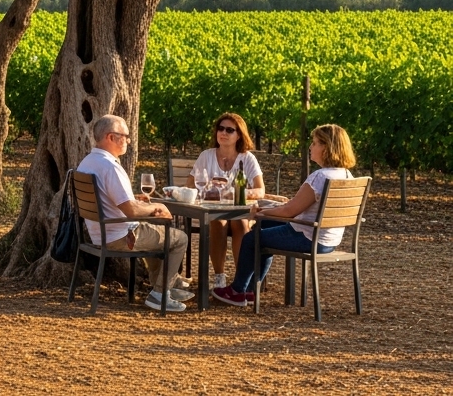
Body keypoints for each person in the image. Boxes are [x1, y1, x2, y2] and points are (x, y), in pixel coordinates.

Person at [213, 123, 357, 307]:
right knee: (263, 228)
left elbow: (289, 211)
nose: (310, 147)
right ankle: (249, 291)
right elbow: (298, 208)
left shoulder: (320, 177)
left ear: (327, 148)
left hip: (308, 236)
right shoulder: (346, 175)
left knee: (252, 237)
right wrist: (268, 215)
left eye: (314, 143)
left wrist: (261, 212)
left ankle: (237, 291)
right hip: (329, 240)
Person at [76, 114, 192, 312]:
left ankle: (166, 285)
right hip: (120, 236)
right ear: (111, 137)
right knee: (179, 238)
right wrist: (157, 207)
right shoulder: (110, 166)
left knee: (160, 235)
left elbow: (112, 199)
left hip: (100, 233)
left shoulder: (87, 162)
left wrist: (136, 199)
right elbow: (130, 211)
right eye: (125, 136)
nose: (128, 141)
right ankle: (159, 294)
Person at [187, 112, 266, 290]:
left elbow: (260, 190)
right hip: (214, 209)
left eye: (229, 130)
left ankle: (241, 280)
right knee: (218, 222)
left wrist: (237, 192)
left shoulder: (247, 158)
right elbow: (191, 185)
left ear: (239, 135)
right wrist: (208, 189)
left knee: (240, 224)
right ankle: (219, 277)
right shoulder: (206, 156)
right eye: (220, 128)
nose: (223, 132)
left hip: (239, 211)